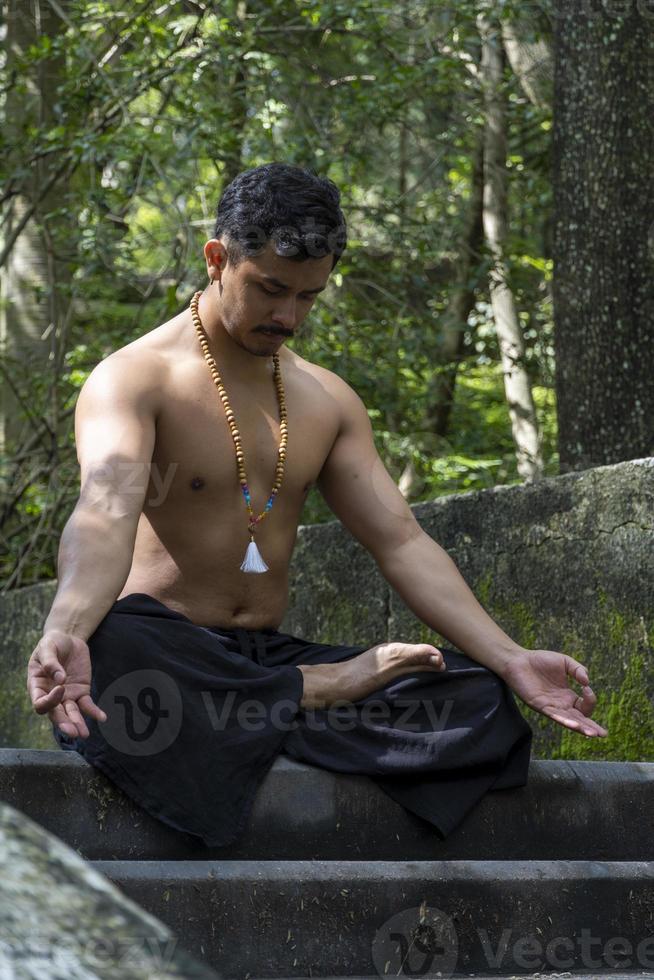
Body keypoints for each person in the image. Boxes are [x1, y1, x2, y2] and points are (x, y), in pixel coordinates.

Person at [26, 162, 607, 848]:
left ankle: (279, 708)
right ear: (217, 258)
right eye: (271, 289)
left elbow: (401, 541)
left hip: (257, 671)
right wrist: (66, 626)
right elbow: (106, 512)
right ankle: (305, 699)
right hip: (172, 656)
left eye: (308, 297)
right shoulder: (134, 378)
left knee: (474, 698)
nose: (288, 316)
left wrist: (510, 658)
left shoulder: (325, 399)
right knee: (115, 646)